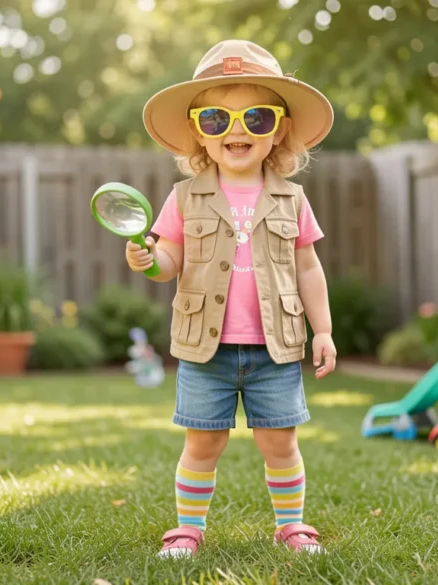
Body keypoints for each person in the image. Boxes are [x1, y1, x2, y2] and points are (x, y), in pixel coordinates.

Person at [126, 39, 337, 559]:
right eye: (218, 118)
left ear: (280, 128)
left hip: (275, 350)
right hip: (206, 350)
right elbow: (171, 261)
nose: (237, 130)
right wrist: (151, 261)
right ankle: (187, 530)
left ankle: (291, 525)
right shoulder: (183, 197)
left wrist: (325, 330)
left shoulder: (292, 197)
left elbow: (308, 266)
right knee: (202, 444)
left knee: (280, 444)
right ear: (199, 128)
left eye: (256, 118)